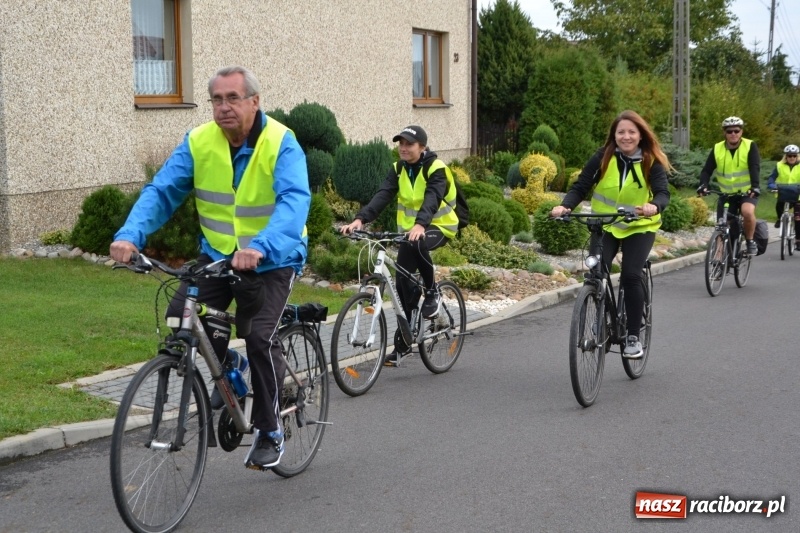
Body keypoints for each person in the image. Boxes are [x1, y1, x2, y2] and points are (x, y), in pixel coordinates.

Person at [110, 65, 310, 471]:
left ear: (254, 101)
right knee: (180, 316)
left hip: (274, 258)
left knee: (258, 337)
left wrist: (262, 246)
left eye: (233, 98)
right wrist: (131, 235)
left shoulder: (281, 143)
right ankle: (230, 372)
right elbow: (163, 190)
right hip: (219, 254)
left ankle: (270, 430)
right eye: (216, 99)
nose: (223, 108)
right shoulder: (199, 141)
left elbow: (294, 202)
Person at [550, 110, 671, 359]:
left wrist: (654, 206)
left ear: (640, 135)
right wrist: (565, 206)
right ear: (614, 135)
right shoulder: (603, 157)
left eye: (631, 132)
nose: (626, 136)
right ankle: (599, 320)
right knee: (596, 271)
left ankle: (633, 336)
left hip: (639, 226)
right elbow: (581, 186)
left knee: (630, 275)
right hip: (605, 225)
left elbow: (662, 193)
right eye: (621, 132)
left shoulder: (651, 161)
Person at [339, 125, 459, 366]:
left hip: (438, 226)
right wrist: (360, 219)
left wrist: (421, 224)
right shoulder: (398, 169)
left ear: (422, 147)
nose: (403, 148)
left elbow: (432, 198)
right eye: (400, 144)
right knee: (403, 282)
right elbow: (383, 195)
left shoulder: (437, 169)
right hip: (410, 232)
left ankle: (432, 292)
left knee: (419, 243)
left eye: (409, 144)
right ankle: (403, 343)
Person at [696, 116, 762, 255]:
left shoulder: (750, 146)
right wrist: (703, 185)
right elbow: (707, 170)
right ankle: (718, 262)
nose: (733, 134)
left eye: (736, 131)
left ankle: (750, 241)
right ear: (724, 133)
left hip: (746, 193)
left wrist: (755, 186)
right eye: (729, 131)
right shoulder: (717, 148)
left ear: (741, 132)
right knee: (722, 227)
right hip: (726, 194)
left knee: (747, 212)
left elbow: (754, 167)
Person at [767, 144, 800, 250]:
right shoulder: (779, 165)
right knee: (779, 207)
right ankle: (779, 218)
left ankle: (798, 240)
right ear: (786, 156)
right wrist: (772, 185)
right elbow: (772, 178)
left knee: (798, 218)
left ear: (797, 156)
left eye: (794, 156)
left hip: (798, 195)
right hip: (783, 194)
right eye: (789, 156)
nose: (792, 158)